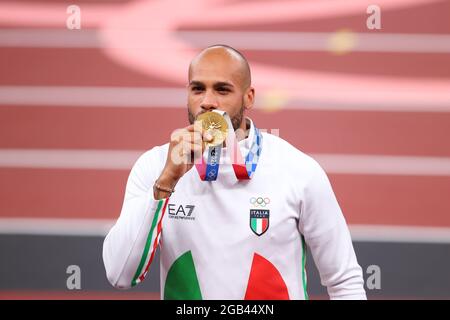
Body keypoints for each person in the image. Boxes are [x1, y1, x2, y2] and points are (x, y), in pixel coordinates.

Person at [102, 45, 367, 300]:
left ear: (248, 97)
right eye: (197, 89)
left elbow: (344, 281)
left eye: (222, 90)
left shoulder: (298, 170)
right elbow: (120, 274)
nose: (207, 102)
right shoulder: (155, 166)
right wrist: (165, 182)